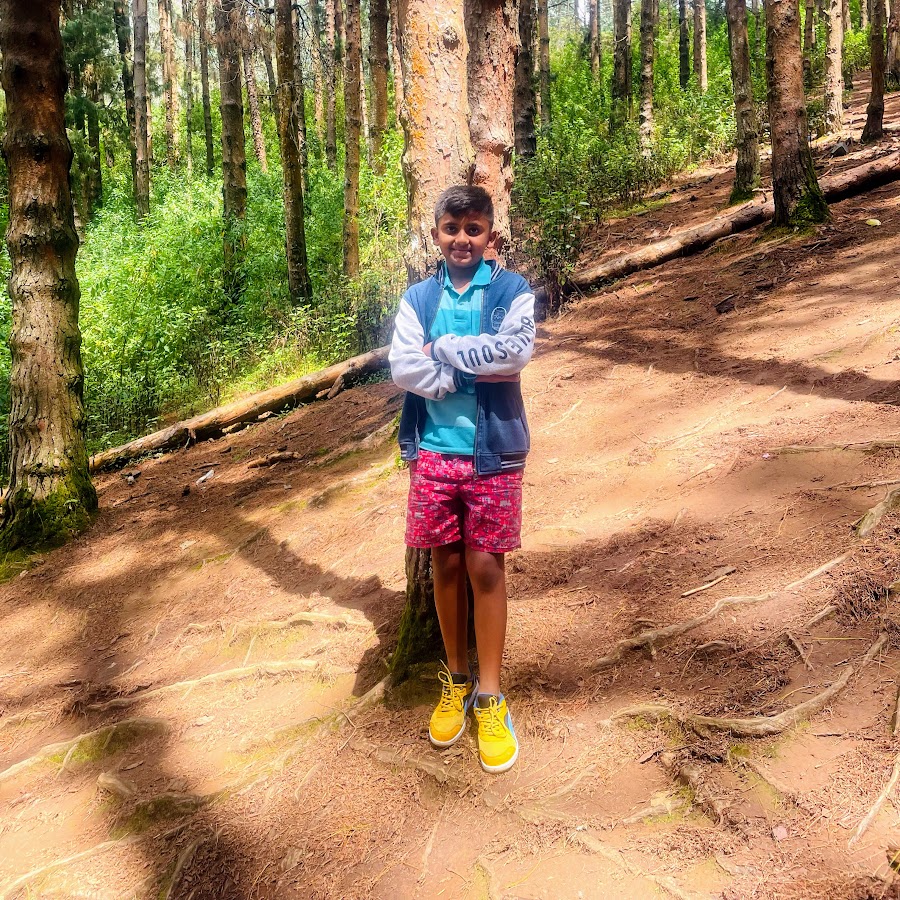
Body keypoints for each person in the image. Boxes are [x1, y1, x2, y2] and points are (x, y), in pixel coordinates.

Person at [388, 185, 536, 773]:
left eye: (474, 229)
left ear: (490, 235)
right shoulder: (418, 299)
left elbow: (514, 355)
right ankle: (456, 680)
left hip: (494, 456)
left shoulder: (511, 291)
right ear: (436, 235)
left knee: (485, 567)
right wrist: (459, 374)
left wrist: (445, 349)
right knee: (445, 567)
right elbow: (403, 365)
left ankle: (490, 697)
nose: (462, 239)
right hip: (432, 454)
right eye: (452, 228)